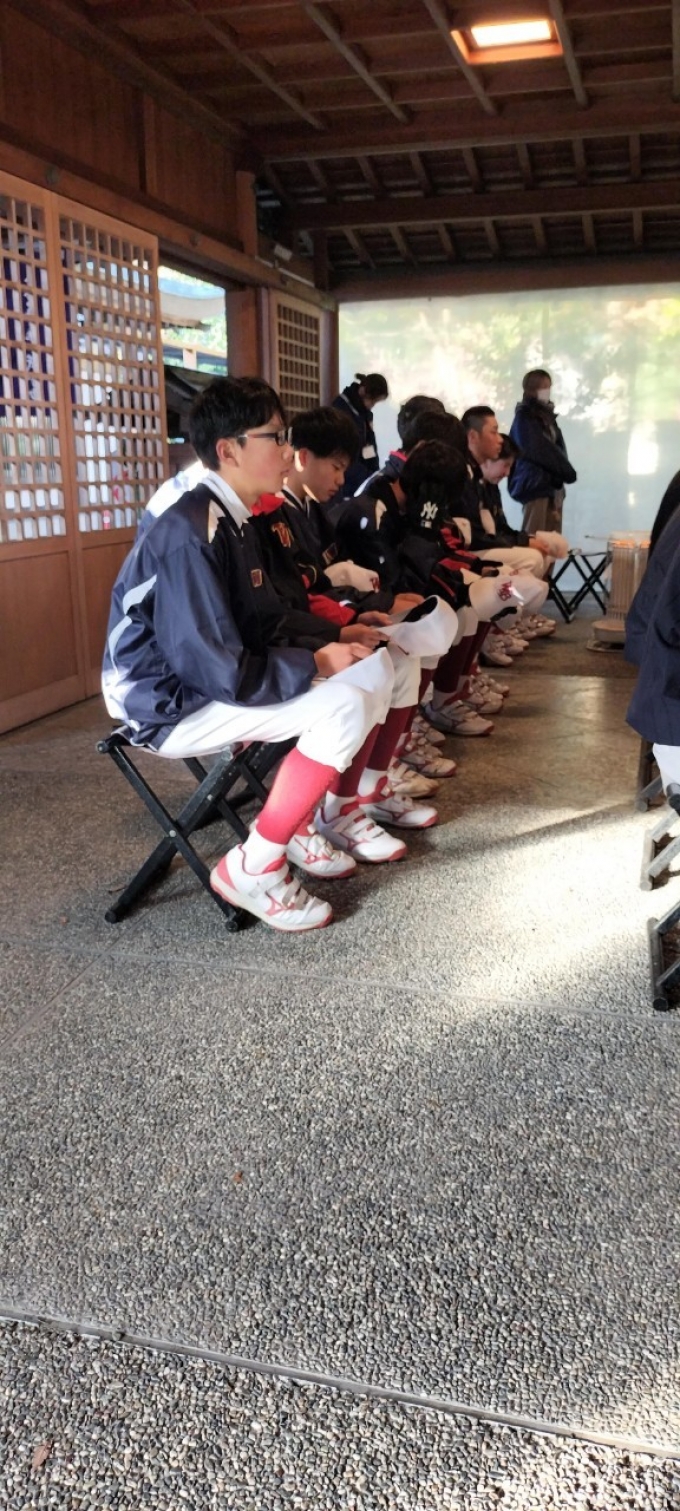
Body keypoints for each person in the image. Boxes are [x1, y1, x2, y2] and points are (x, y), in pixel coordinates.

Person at [101, 376, 424, 934]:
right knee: (345, 704)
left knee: (374, 671)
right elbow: (214, 665)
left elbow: (267, 617)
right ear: (228, 450)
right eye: (275, 436)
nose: (287, 449)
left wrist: (338, 633)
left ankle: (314, 818)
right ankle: (253, 866)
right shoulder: (191, 530)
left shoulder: (235, 516)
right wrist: (317, 662)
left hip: (206, 680)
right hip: (162, 702)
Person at [508, 369, 577, 535]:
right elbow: (541, 450)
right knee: (535, 538)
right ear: (531, 389)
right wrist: (565, 471)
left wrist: (562, 474)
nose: (548, 391)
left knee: (552, 541)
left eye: (549, 387)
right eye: (544, 387)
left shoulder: (546, 417)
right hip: (535, 486)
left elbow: (556, 447)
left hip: (552, 486)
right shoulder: (525, 417)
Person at [332, 372, 389, 495]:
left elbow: (369, 445)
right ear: (363, 391)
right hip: (347, 481)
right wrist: (367, 477)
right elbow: (342, 455)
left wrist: (375, 474)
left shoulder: (365, 414)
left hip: (363, 477)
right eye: (372, 401)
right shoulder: (340, 410)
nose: (372, 406)